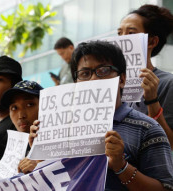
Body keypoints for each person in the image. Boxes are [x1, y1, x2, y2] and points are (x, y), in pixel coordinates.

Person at [30, 41, 173, 190]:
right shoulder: (62, 128)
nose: (94, 79)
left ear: (122, 79)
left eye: (103, 71)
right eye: (85, 74)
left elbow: (164, 188)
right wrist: (41, 153)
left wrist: (121, 166)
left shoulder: (147, 128)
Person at [118, 4, 173, 148]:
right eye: (119, 33)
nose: (122, 40)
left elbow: (170, 144)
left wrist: (152, 101)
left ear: (152, 42)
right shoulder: (112, 83)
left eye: (130, 33)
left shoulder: (167, 83)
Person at [0, 80, 43, 173]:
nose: (21, 115)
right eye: (14, 108)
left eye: (29, 104)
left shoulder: (59, 142)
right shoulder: (16, 146)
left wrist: (41, 166)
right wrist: (0, 167)